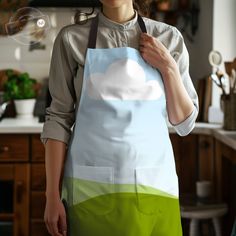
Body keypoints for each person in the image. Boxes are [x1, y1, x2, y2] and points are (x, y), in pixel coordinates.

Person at [41, 0, 199, 235]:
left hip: (153, 188)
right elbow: (58, 119)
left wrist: (168, 67)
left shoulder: (167, 37)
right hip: (90, 191)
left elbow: (184, 122)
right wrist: (51, 196)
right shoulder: (71, 39)